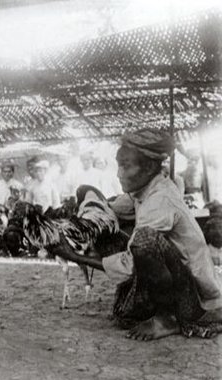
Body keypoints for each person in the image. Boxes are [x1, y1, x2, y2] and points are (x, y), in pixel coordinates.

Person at [51, 128, 222, 341]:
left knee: (144, 242)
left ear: (149, 167)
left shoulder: (160, 200)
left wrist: (75, 256)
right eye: (118, 164)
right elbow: (111, 207)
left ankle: (167, 318)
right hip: (176, 279)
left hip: (195, 297)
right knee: (97, 209)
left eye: (126, 165)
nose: (118, 173)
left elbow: (129, 263)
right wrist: (78, 218)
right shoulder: (145, 189)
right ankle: (150, 306)